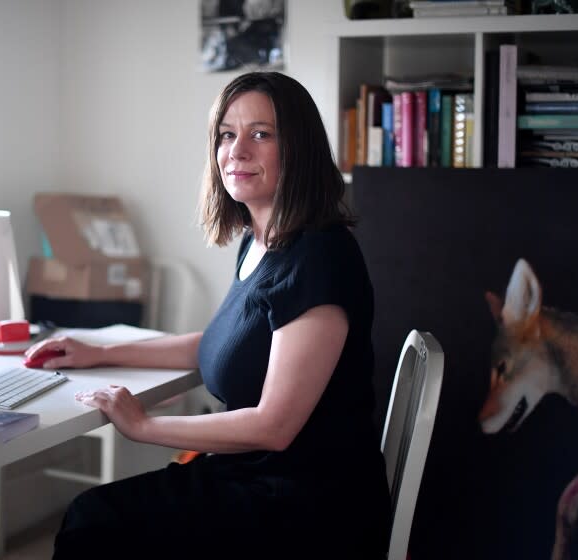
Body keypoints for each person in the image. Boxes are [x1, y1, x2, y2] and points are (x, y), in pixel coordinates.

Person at [28, 71, 391, 556]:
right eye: (227, 134)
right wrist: (98, 351)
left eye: (260, 134)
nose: (236, 150)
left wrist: (145, 426)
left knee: (93, 523)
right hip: (259, 478)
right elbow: (219, 343)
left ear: (298, 149)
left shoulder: (320, 257)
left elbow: (273, 427)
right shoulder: (260, 242)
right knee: (96, 518)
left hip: (309, 507)